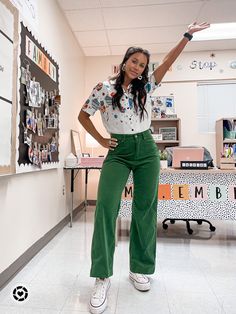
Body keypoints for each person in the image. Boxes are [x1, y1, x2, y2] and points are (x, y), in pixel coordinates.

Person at [78, 22, 210, 314]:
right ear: (125, 61)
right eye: (135, 62)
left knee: (145, 209)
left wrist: (186, 36)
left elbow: (170, 61)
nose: (138, 67)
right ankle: (101, 276)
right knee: (105, 208)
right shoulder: (103, 88)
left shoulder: (147, 86)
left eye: (143, 64)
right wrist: (101, 139)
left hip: (147, 150)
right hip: (119, 151)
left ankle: (140, 268)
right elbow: (82, 115)